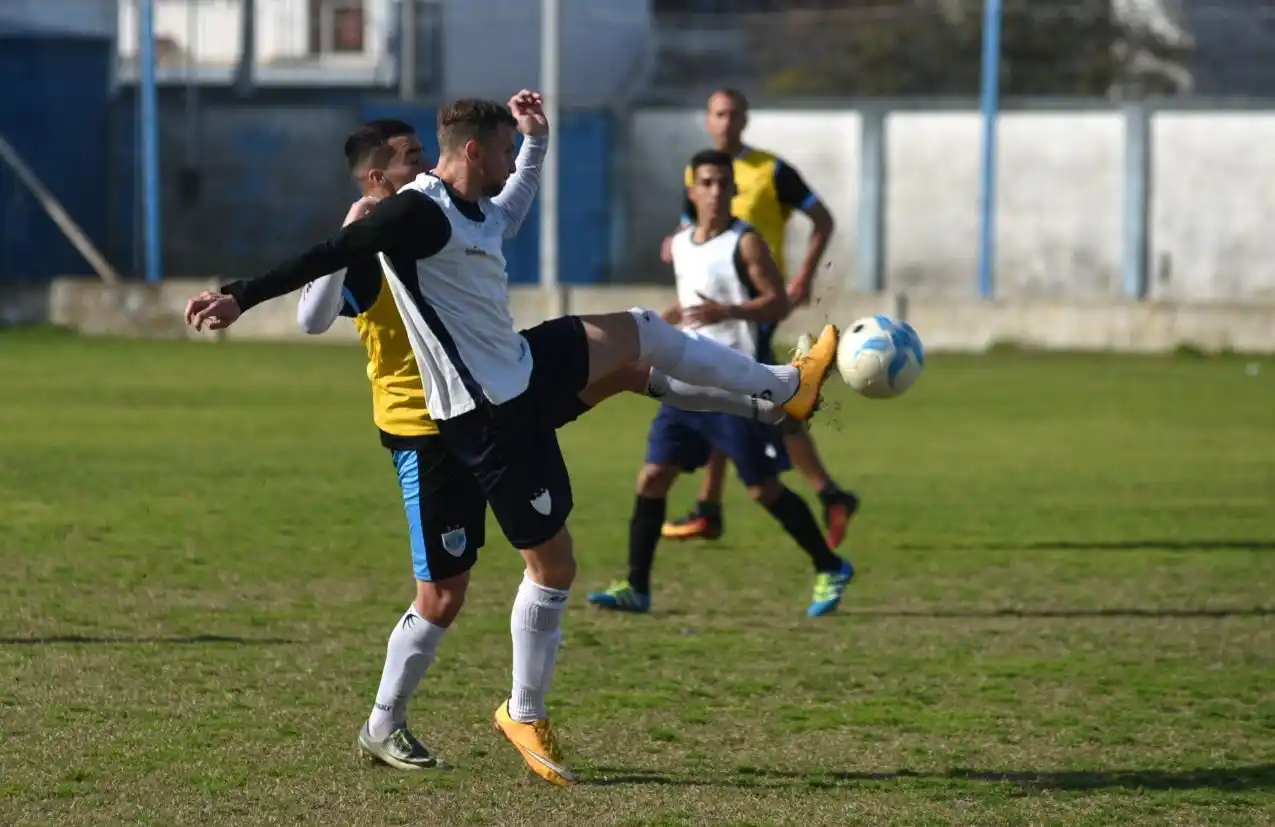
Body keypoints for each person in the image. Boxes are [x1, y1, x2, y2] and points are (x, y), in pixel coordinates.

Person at [184, 91, 842, 786]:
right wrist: (239, 293)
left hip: (517, 376)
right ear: (470, 151)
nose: (504, 163)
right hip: (477, 420)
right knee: (477, 586)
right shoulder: (410, 214)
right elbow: (329, 255)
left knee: (640, 338)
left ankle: (778, 389)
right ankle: (452, 716)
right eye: (498, 150)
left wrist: (533, 139)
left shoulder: (474, 208)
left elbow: (513, 198)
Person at [588, 150, 854, 618]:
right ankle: (636, 585)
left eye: (723, 183)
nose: (715, 191)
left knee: (762, 490)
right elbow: (687, 306)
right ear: (692, 190)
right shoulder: (683, 244)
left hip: (736, 381)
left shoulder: (745, 242)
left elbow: (776, 305)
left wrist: (728, 312)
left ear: (734, 190)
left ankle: (830, 566)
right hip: (684, 378)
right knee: (653, 477)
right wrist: (643, 334)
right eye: (706, 183)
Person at [659, 88, 861, 549]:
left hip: (755, 304)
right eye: (718, 114)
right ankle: (824, 493)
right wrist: (675, 241)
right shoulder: (700, 168)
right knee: (747, 397)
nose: (726, 122)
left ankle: (717, 506)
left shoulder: (772, 170)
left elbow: (823, 219)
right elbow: (692, 226)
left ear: (745, 120)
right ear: (708, 120)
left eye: (734, 114)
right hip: (714, 302)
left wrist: (803, 277)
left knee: (731, 392)